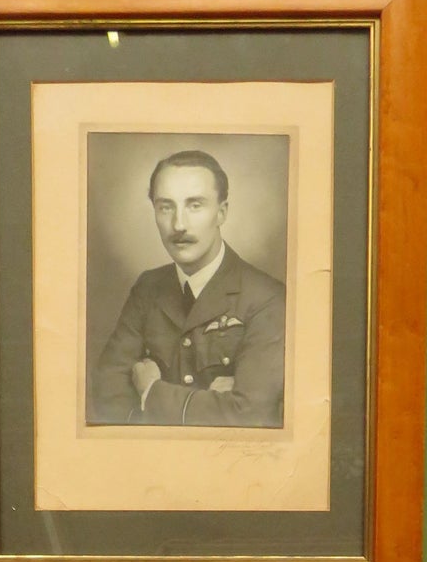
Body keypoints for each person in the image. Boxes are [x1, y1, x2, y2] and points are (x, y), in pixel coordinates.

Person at [89, 149, 286, 427]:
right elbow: (105, 394)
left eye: (195, 205)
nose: (178, 225)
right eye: (165, 207)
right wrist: (209, 403)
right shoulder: (148, 288)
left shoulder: (267, 298)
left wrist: (151, 392)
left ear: (221, 213)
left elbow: (249, 414)